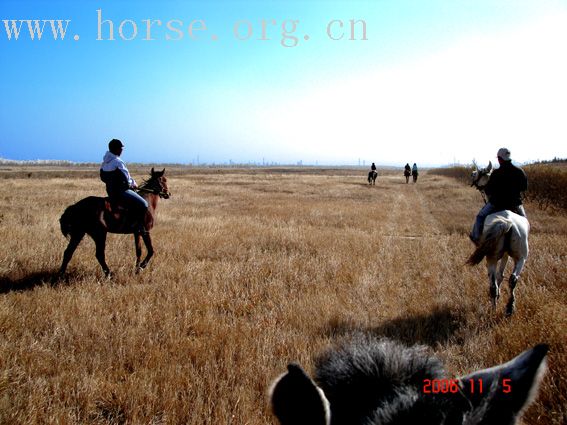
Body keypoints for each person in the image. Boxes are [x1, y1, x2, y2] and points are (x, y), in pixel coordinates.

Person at [469, 147, 528, 245]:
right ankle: (524, 240)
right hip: (515, 203)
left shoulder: (496, 173)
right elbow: (524, 188)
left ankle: (476, 238)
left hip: (496, 203)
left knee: (480, 216)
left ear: (500, 159)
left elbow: (489, 190)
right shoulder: (519, 171)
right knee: (525, 222)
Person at [100, 139, 148, 231]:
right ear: (116, 149)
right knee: (144, 204)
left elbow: (103, 177)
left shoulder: (104, 163)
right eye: (121, 148)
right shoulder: (118, 161)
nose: (122, 150)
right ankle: (140, 227)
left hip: (110, 192)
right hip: (122, 192)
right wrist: (133, 184)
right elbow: (127, 178)